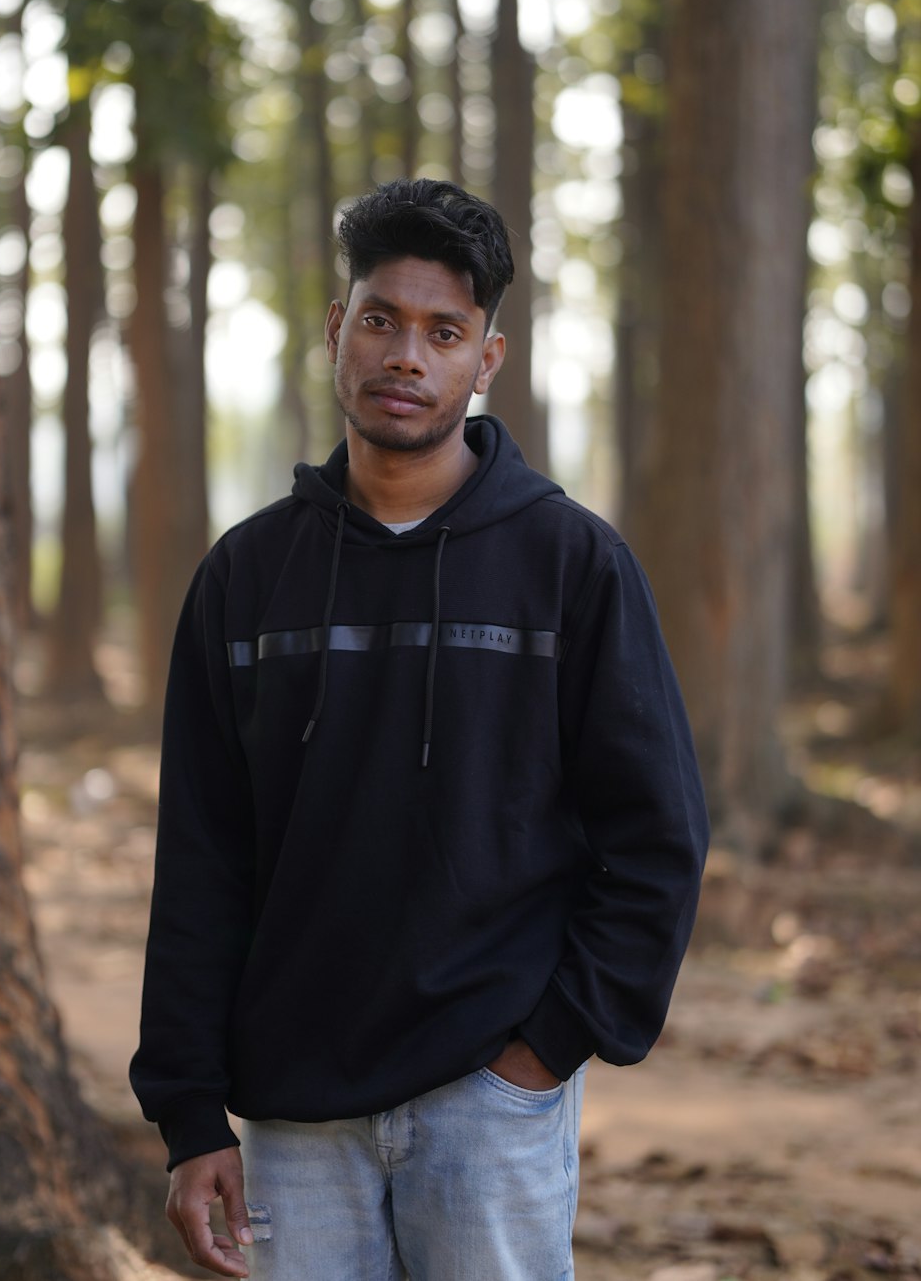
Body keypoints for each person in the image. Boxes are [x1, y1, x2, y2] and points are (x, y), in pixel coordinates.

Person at [130, 177, 709, 1281]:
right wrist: (189, 1115)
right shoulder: (247, 577)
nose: (407, 356)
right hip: (295, 1116)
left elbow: (657, 837)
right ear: (336, 330)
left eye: (444, 332)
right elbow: (201, 861)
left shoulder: (569, 564)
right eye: (382, 320)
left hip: (489, 1103)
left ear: (484, 360)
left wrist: (542, 1055)